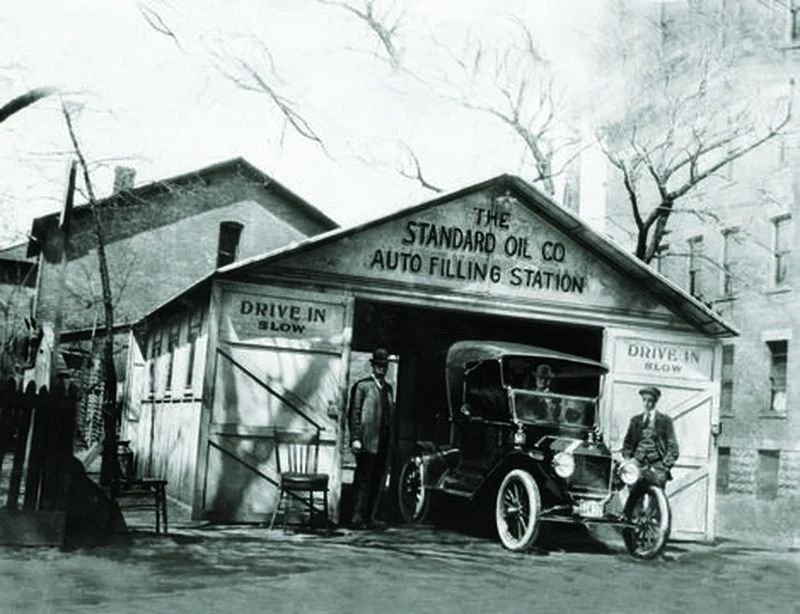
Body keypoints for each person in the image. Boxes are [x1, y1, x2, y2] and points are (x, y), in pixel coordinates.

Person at [348, 348, 395, 529]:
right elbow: (355, 413)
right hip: (367, 441)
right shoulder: (362, 386)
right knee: (363, 479)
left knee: (378, 479)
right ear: (373, 366)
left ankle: (371, 517)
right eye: (378, 365)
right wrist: (355, 438)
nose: (381, 368)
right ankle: (356, 517)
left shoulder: (388, 389)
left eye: (384, 366)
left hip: (383, 441)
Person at [622, 386, 679, 488]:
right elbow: (627, 444)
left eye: (650, 401)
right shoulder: (635, 420)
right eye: (644, 400)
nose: (646, 404)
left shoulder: (665, 421)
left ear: (655, 402)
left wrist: (665, 465)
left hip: (657, 463)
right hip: (637, 461)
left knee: (657, 490)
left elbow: (673, 447)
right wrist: (628, 460)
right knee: (631, 485)